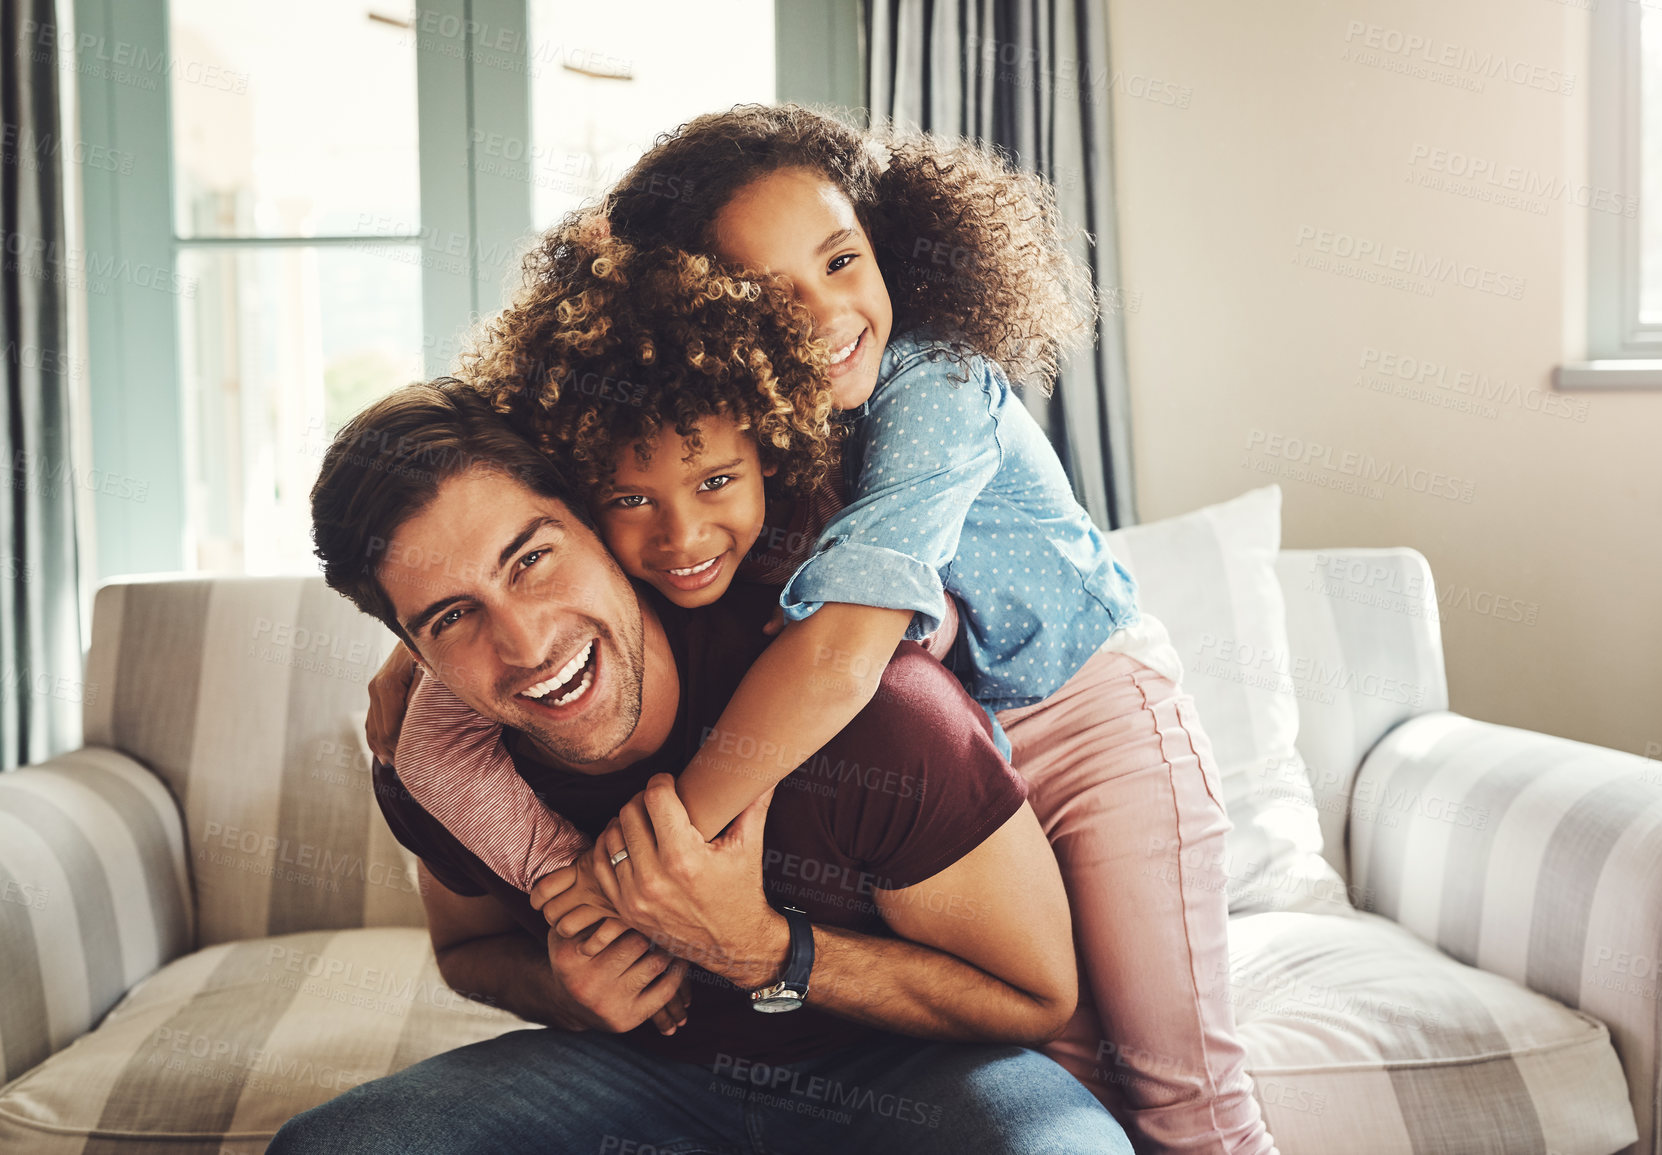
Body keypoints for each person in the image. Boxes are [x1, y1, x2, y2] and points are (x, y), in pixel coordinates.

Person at [372, 105, 1280, 1154]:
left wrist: (657, 866)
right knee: (1060, 1074)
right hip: (968, 745)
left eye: (843, 260)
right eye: (766, 293)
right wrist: (420, 646)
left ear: (885, 245)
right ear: (702, 312)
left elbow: (845, 652)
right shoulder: (734, 415)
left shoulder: (933, 386)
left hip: (1088, 724)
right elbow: (512, 506)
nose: (824, 313)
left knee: (1178, 1092)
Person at [270, 379, 1134, 1154]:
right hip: (622, 1074)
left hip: (898, 1073)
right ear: (410, 646)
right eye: (453, 616)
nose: (526, 645)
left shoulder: (873, 711)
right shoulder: (436, 768)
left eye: (532, 559)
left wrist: (765, 949)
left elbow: (1034, 995)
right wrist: (567, 990)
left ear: (597, 522)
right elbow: (466, 950)